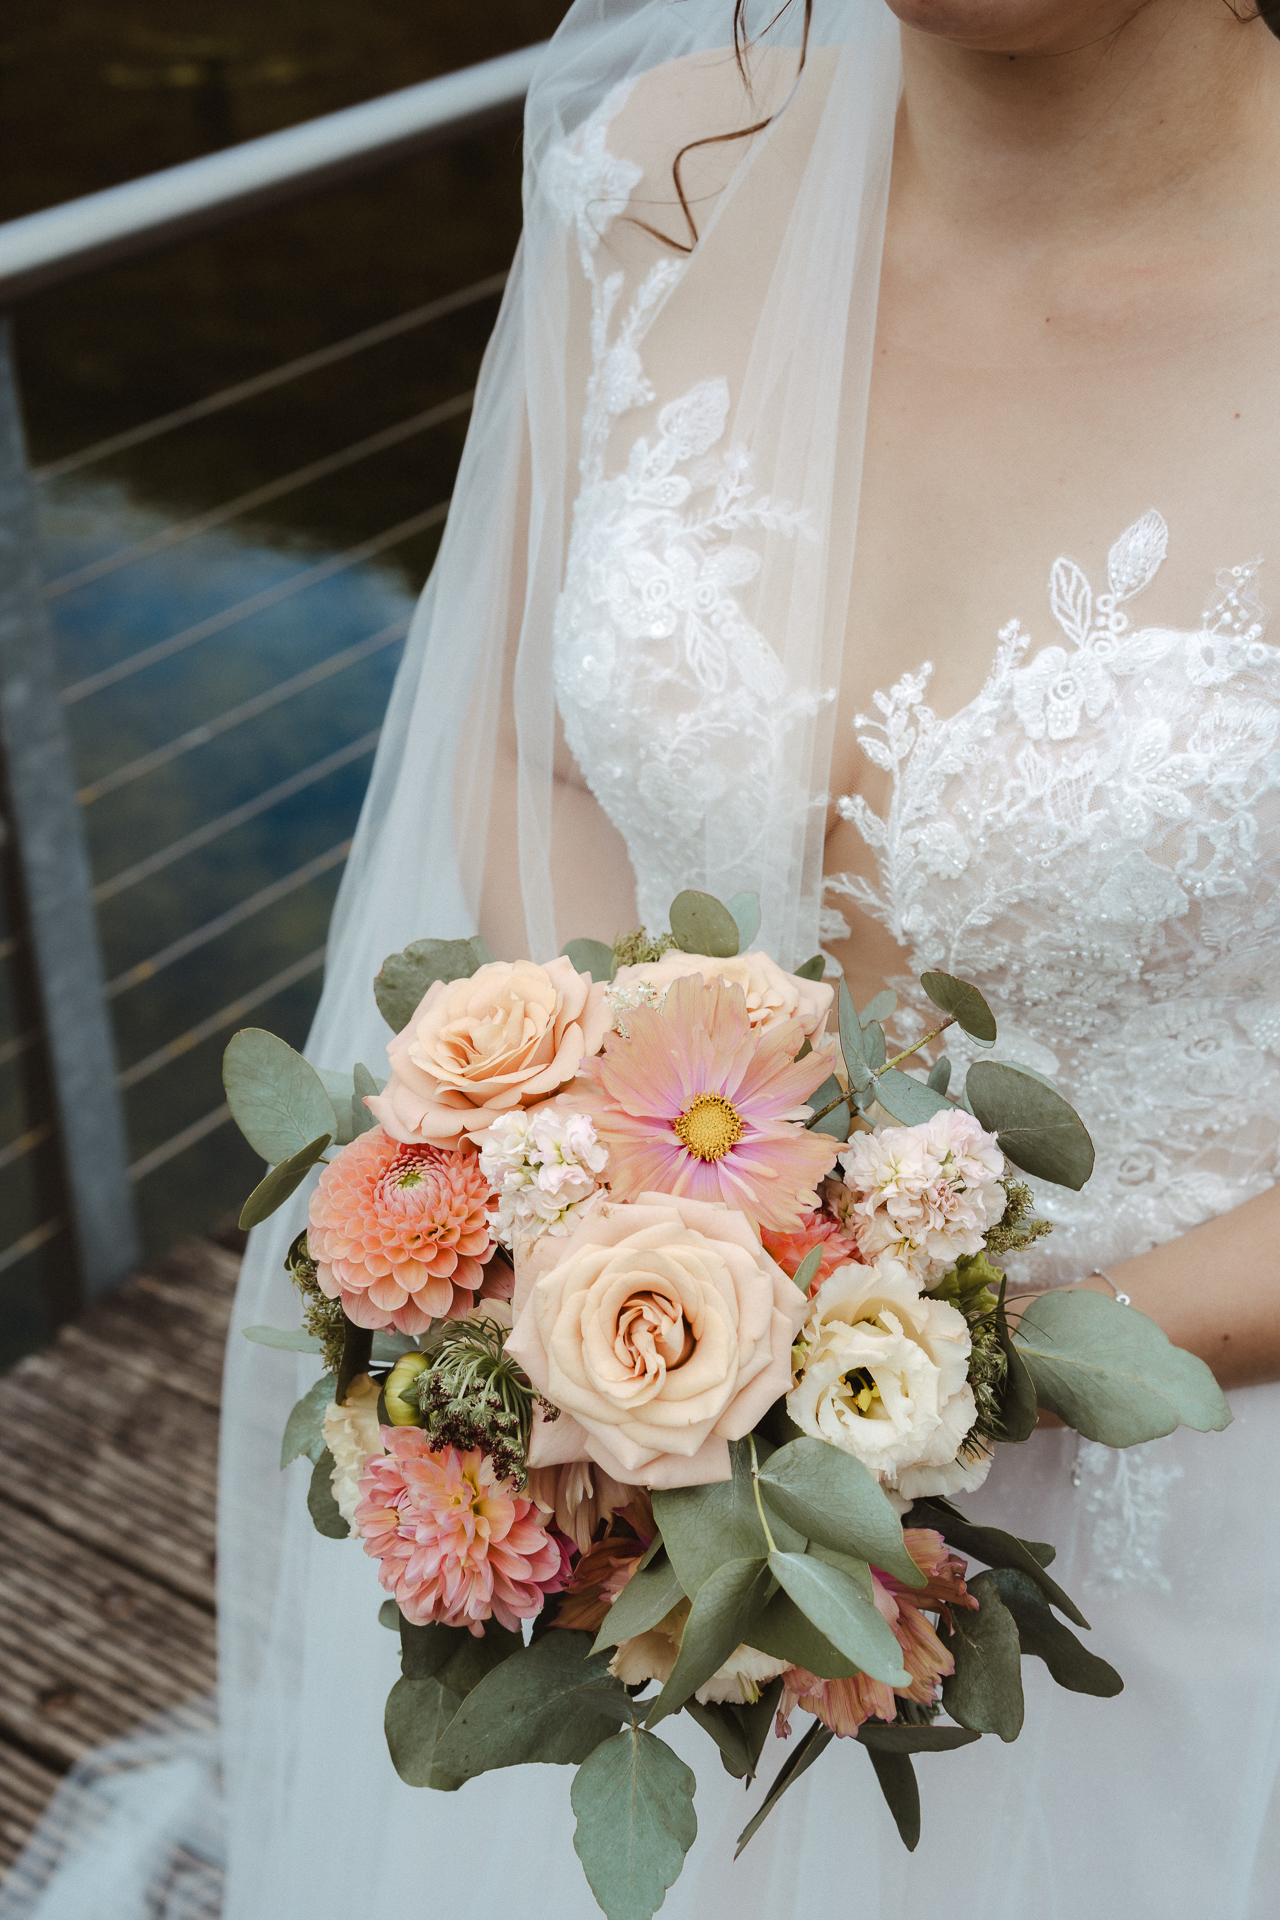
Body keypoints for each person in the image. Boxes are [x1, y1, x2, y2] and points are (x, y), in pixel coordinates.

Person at [186, 0, 1280, 1914]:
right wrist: (623, 1232)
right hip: (653, 1496)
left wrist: (910, 1373)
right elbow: (532, 745)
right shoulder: (655, 171)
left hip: (1202, 1549)